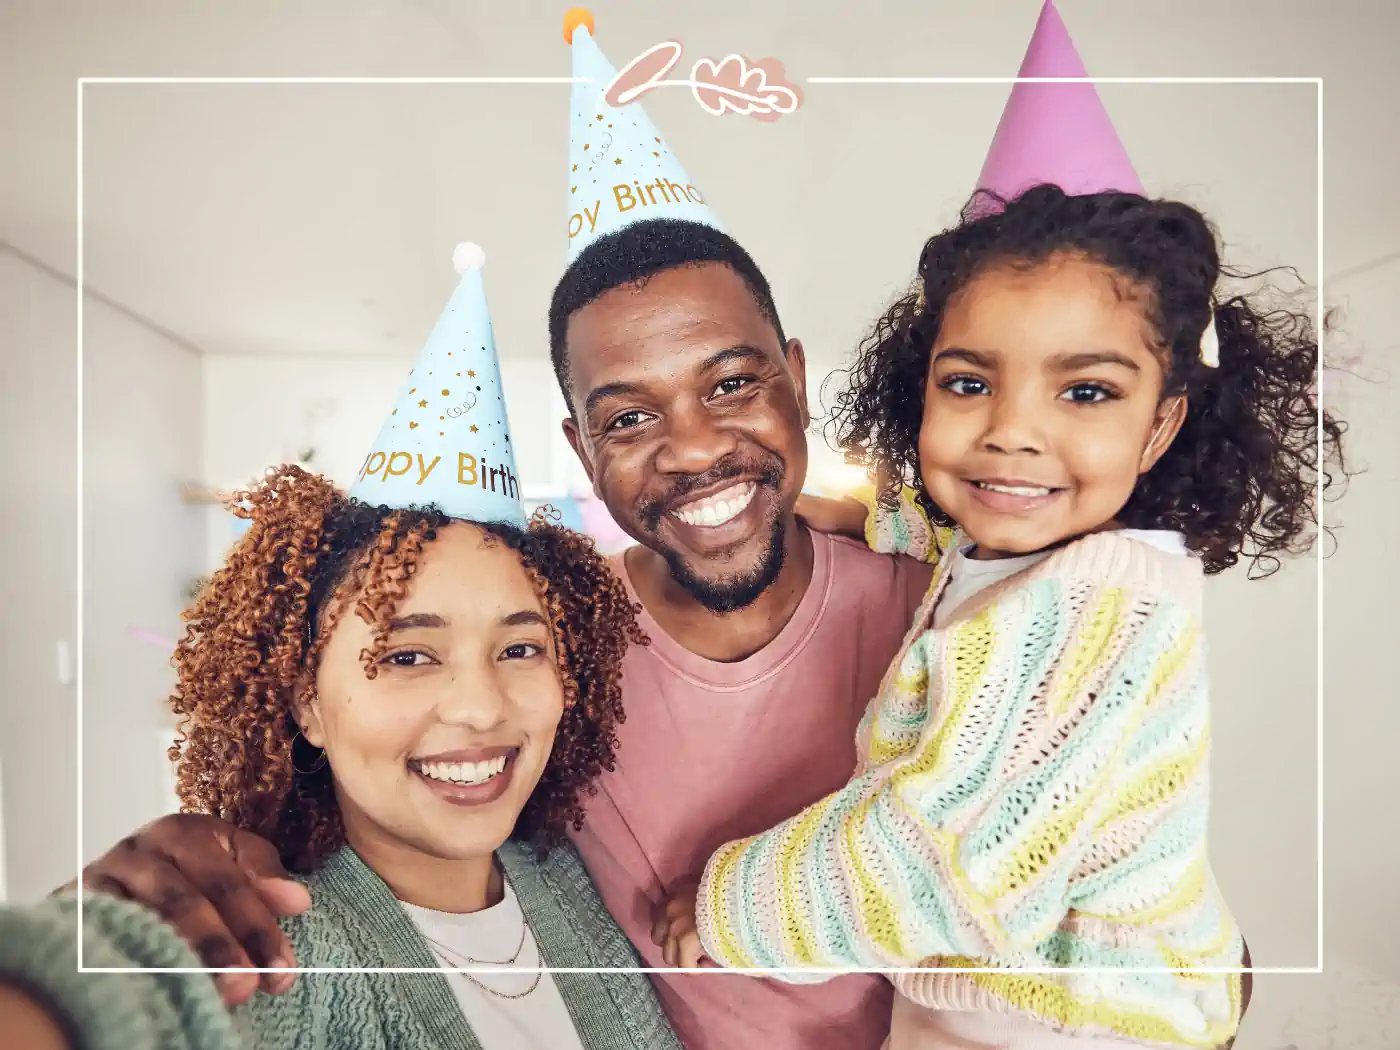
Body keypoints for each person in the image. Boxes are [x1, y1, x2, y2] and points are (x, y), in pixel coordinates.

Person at [654, 183, 1344, 1049]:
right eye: (971, 383)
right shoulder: (1044, 549)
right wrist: (876, 518)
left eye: (1086, 392)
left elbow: (939, 865)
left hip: (1071, 1025)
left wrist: (728, 905)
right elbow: (967, 545)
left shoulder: (1094, 609)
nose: (1012, 432)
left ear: (1161, 425)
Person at [2, 244, 682, 1050]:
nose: (479, 704)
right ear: (306, 705)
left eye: (520, 649)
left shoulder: (570, 876)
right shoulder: (283, 951)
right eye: (406, 655)